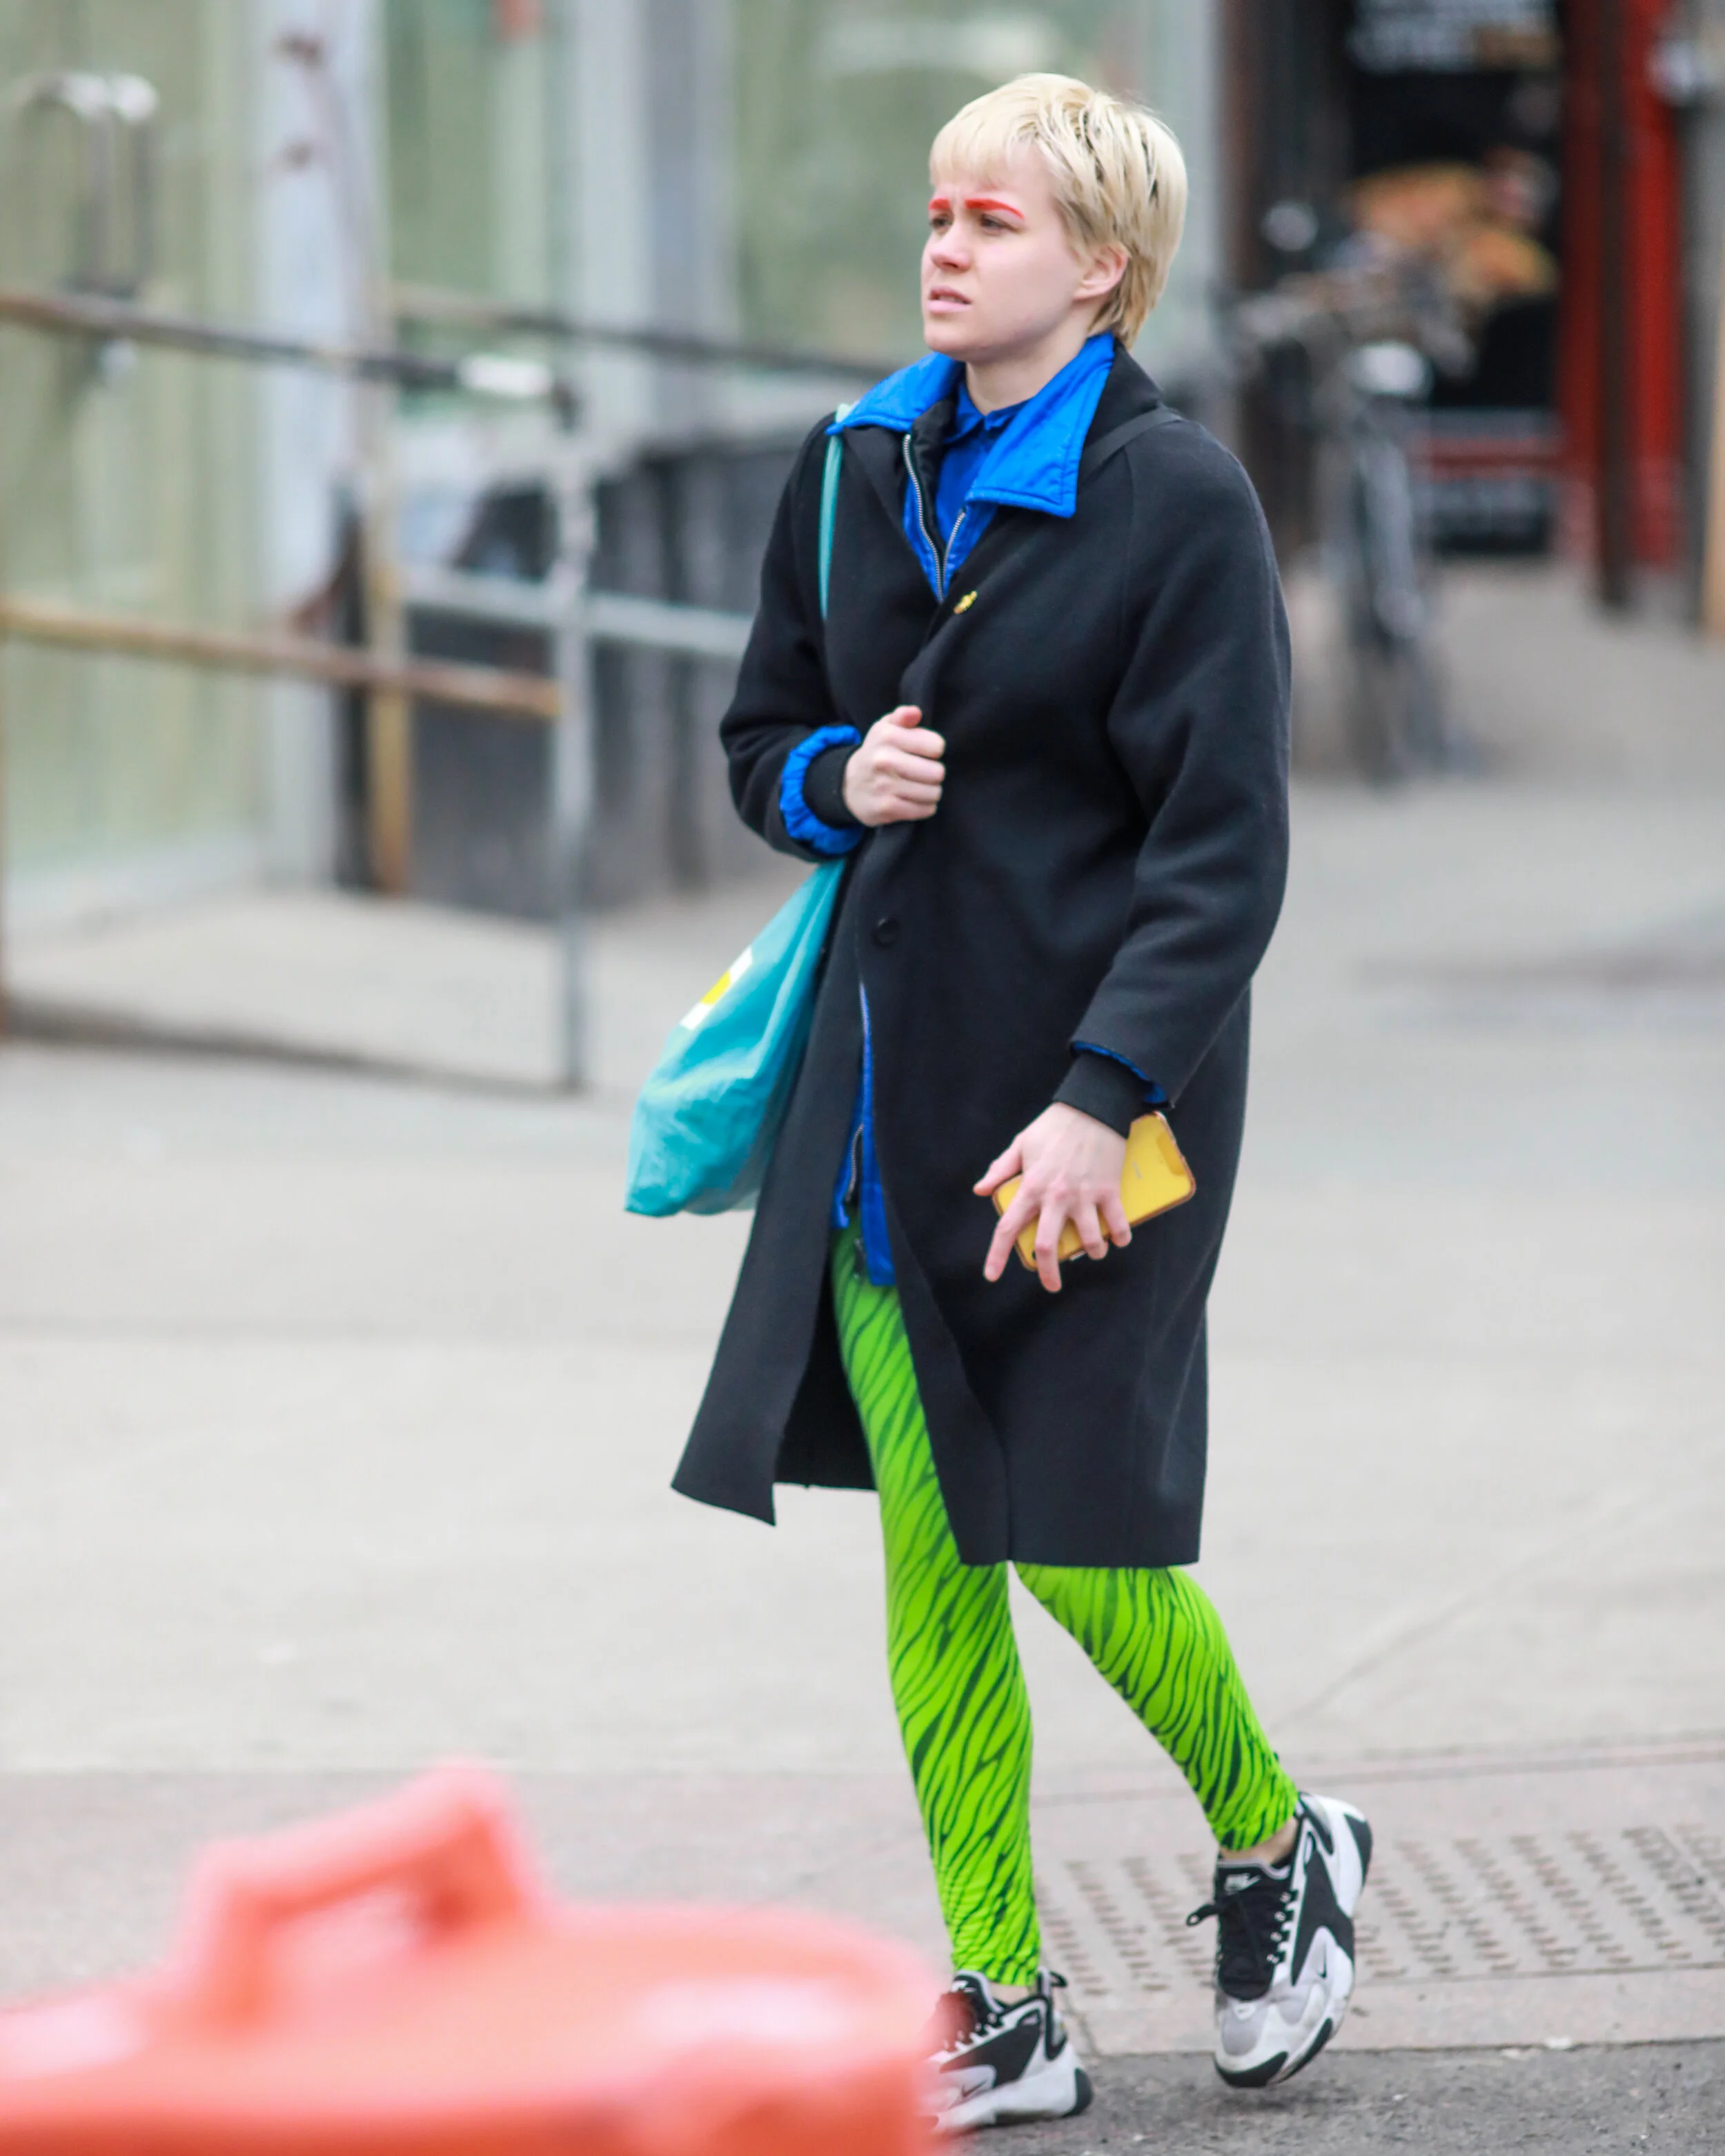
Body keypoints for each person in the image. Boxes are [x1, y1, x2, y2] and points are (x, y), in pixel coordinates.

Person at [672, 72, 1371, 2132]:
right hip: (885, 1111)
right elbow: (760, 737)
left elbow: (1221, 855)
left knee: (1076, 1534)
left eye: (993, 220)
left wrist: (1100, 1093)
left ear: (1104, 268)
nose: (947, 245)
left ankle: (1279, 1835)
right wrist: (835, 778)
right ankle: (1002, 1989)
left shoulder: (1177, 501)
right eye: (936, 211)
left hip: (1098, 1111)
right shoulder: (853, 462)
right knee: (936, 1550)